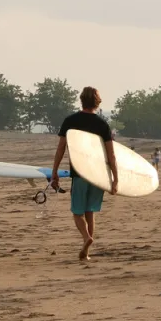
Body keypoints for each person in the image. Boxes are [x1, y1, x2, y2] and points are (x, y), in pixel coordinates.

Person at [51, 87, 119, 262]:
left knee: (77, 212)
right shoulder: (102, 124)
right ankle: (86, 252)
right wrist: (115, 179)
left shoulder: (70, 121)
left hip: (80, 174)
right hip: (98, 176)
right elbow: (111, 155)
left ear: (81, 100)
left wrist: (54, 172)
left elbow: (61, 149)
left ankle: (86, 238)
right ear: (97, 102)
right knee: (90, 212)